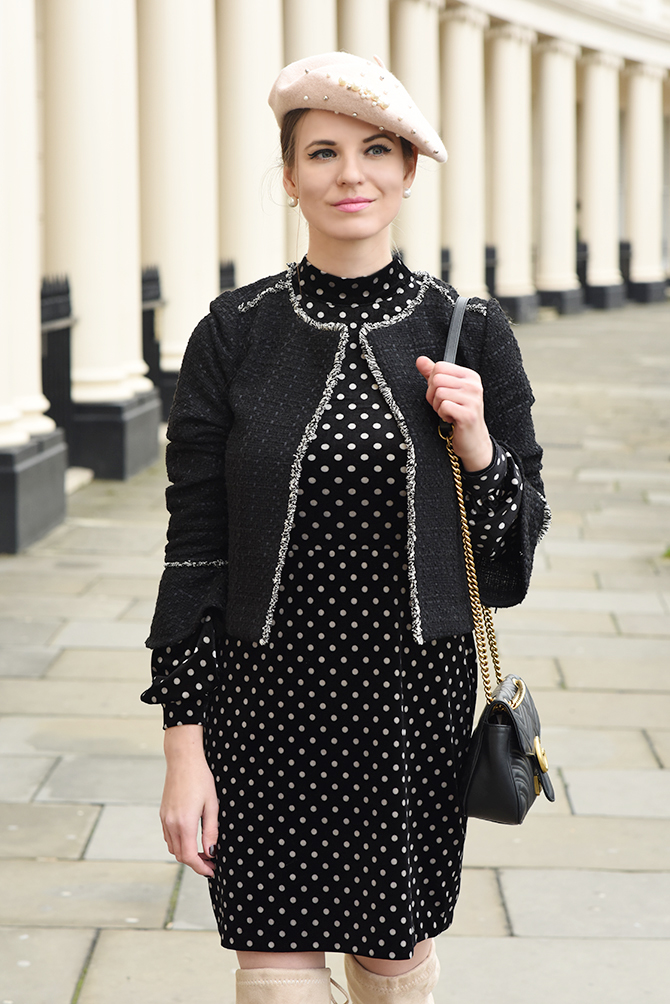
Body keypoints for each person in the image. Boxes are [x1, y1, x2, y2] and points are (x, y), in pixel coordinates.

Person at [141, 51, 549, 1004]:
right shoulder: (232, 331)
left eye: (376, 150)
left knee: (391, 962)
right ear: (290, 179)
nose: (350, 174)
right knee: (272, 975)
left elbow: (511, 564)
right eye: (322, 152)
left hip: (411, 700)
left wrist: (480, 441)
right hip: (264, 701)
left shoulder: (470, 329)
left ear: (409, 172)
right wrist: (182, 746)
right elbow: (193, 548)